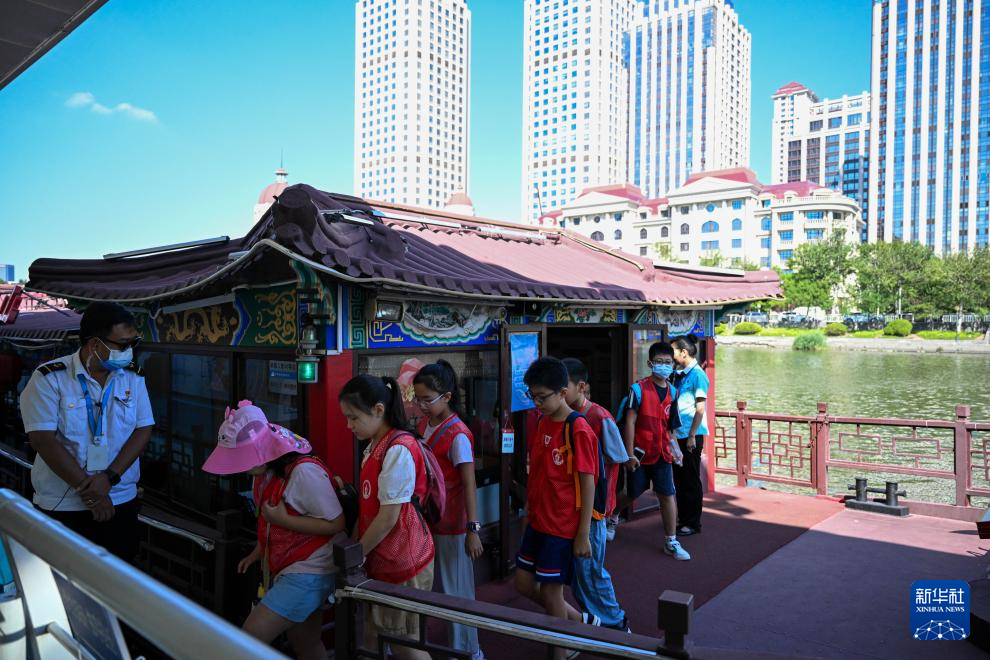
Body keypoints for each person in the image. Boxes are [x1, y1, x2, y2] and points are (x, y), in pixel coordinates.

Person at [202, 401, 342, 660]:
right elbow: (268, 521)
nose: (242, 466)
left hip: (311, 568)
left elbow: (336, 523)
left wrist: (282, 520)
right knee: (306, 644)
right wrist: (259, 550)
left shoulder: (304, 473)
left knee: (251, 636)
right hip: (293, 564)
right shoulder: (265, 473)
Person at [19, 301, 152, 561]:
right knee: (61, 577)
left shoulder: (132, 377)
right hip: (63, 504)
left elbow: (143, 428)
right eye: (122, 345)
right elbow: (42, 440)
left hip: (120, 499)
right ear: (94, 344)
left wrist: (109, 478)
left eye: (133, 343)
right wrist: (90, 492)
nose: (129, 351)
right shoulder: (49, 378)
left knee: (118, 576)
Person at [340, 374, 433, 660]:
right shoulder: (376, 445)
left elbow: (387, 518)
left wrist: (355, 555)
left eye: (353, 418)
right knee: (373, 635)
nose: (349, 426)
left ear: (379, 410)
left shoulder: (398, 449)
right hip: (387, 558)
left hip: (403, 560)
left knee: (404, 643)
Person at [514, 357, 596, 660]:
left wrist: (583, 533)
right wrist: (528, 509)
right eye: (532, 396)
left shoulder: (578, 428)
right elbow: (537, 473)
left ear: (563, 393)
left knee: (551, 593)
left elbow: (588, 483)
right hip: (538, 520)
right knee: (523, 584)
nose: (536, 403)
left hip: (562, 526)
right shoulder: (542, 421)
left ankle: (561, 652)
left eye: (541, 397)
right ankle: (578, 623)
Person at [413, 360, 485, 660]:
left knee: (457, 592)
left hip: (453, 523)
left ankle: (469, 651)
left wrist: (473, 529)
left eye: (427, 400)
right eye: (418, 399)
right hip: (429, 520)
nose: (422, 406)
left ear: (447, 397)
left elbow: (469, 484)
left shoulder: (458, 435)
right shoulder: (423, 424)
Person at [561, 358, 629, 632]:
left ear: (581, 387)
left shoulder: (600, 417)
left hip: (594, 510)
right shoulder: (559, 416)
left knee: (591, 572)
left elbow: (618, 459)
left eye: (562, 387)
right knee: (580, 574)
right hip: (570, 508)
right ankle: (594, 625)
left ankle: (616, 624)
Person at [613, 342, 690, 560]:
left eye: (668, 362)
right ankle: (612, 516)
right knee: (632, 492)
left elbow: (671, 428)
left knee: (667, 494)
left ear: (673, 365)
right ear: (650, 363)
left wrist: (676, 450)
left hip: (662, 453)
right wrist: (628, 454)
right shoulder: (638, 389)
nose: (664, 366)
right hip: (639, 453)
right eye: (659, 362)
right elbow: (630, 422)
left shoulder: (673, 392)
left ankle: (671, 540)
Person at [670, 335, 710, 537]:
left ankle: (693, 523)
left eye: (674, 352)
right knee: (680, 478)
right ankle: (683, 518)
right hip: (678, 433)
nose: (672, 356)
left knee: (690, 479)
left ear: (683, 352)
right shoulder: (679, 374)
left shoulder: (698, 375)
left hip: (690, 434)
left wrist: (692, 435)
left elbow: (700, 409)